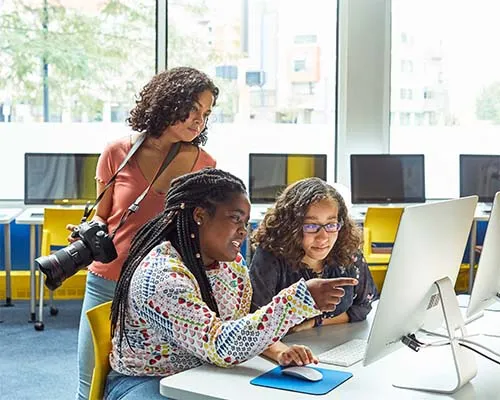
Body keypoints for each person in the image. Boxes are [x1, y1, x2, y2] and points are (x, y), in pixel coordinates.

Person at [105, 168, 358, 399]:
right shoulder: (161, 277)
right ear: (200, 216)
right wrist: (298, 300)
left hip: (206, 371)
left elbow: (238, 326)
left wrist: (277, 350)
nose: (243, 231)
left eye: (245, 223)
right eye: (235, 219)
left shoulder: (231, 265)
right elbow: (220, 344)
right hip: (149, 381)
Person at [73, 66, 219, 400]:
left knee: (161, 380)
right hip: (107, 280)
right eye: (194, 109)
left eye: (206, 113)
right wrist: (86, 234)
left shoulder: (205, 164)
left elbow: (202, 230)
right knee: (90, 381)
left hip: (162, 288)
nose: (200, 120)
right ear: (169, 102)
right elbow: (103, 214)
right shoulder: (117, 153)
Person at [250, 177, 378, 332]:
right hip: (286, 350)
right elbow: (257, 323)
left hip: (336, 344)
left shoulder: (347, 250)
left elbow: (364, 305)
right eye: (311, 226)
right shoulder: (269, 256)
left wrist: (314, 322)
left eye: (331, 225)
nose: (323, 237)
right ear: (291, 226)